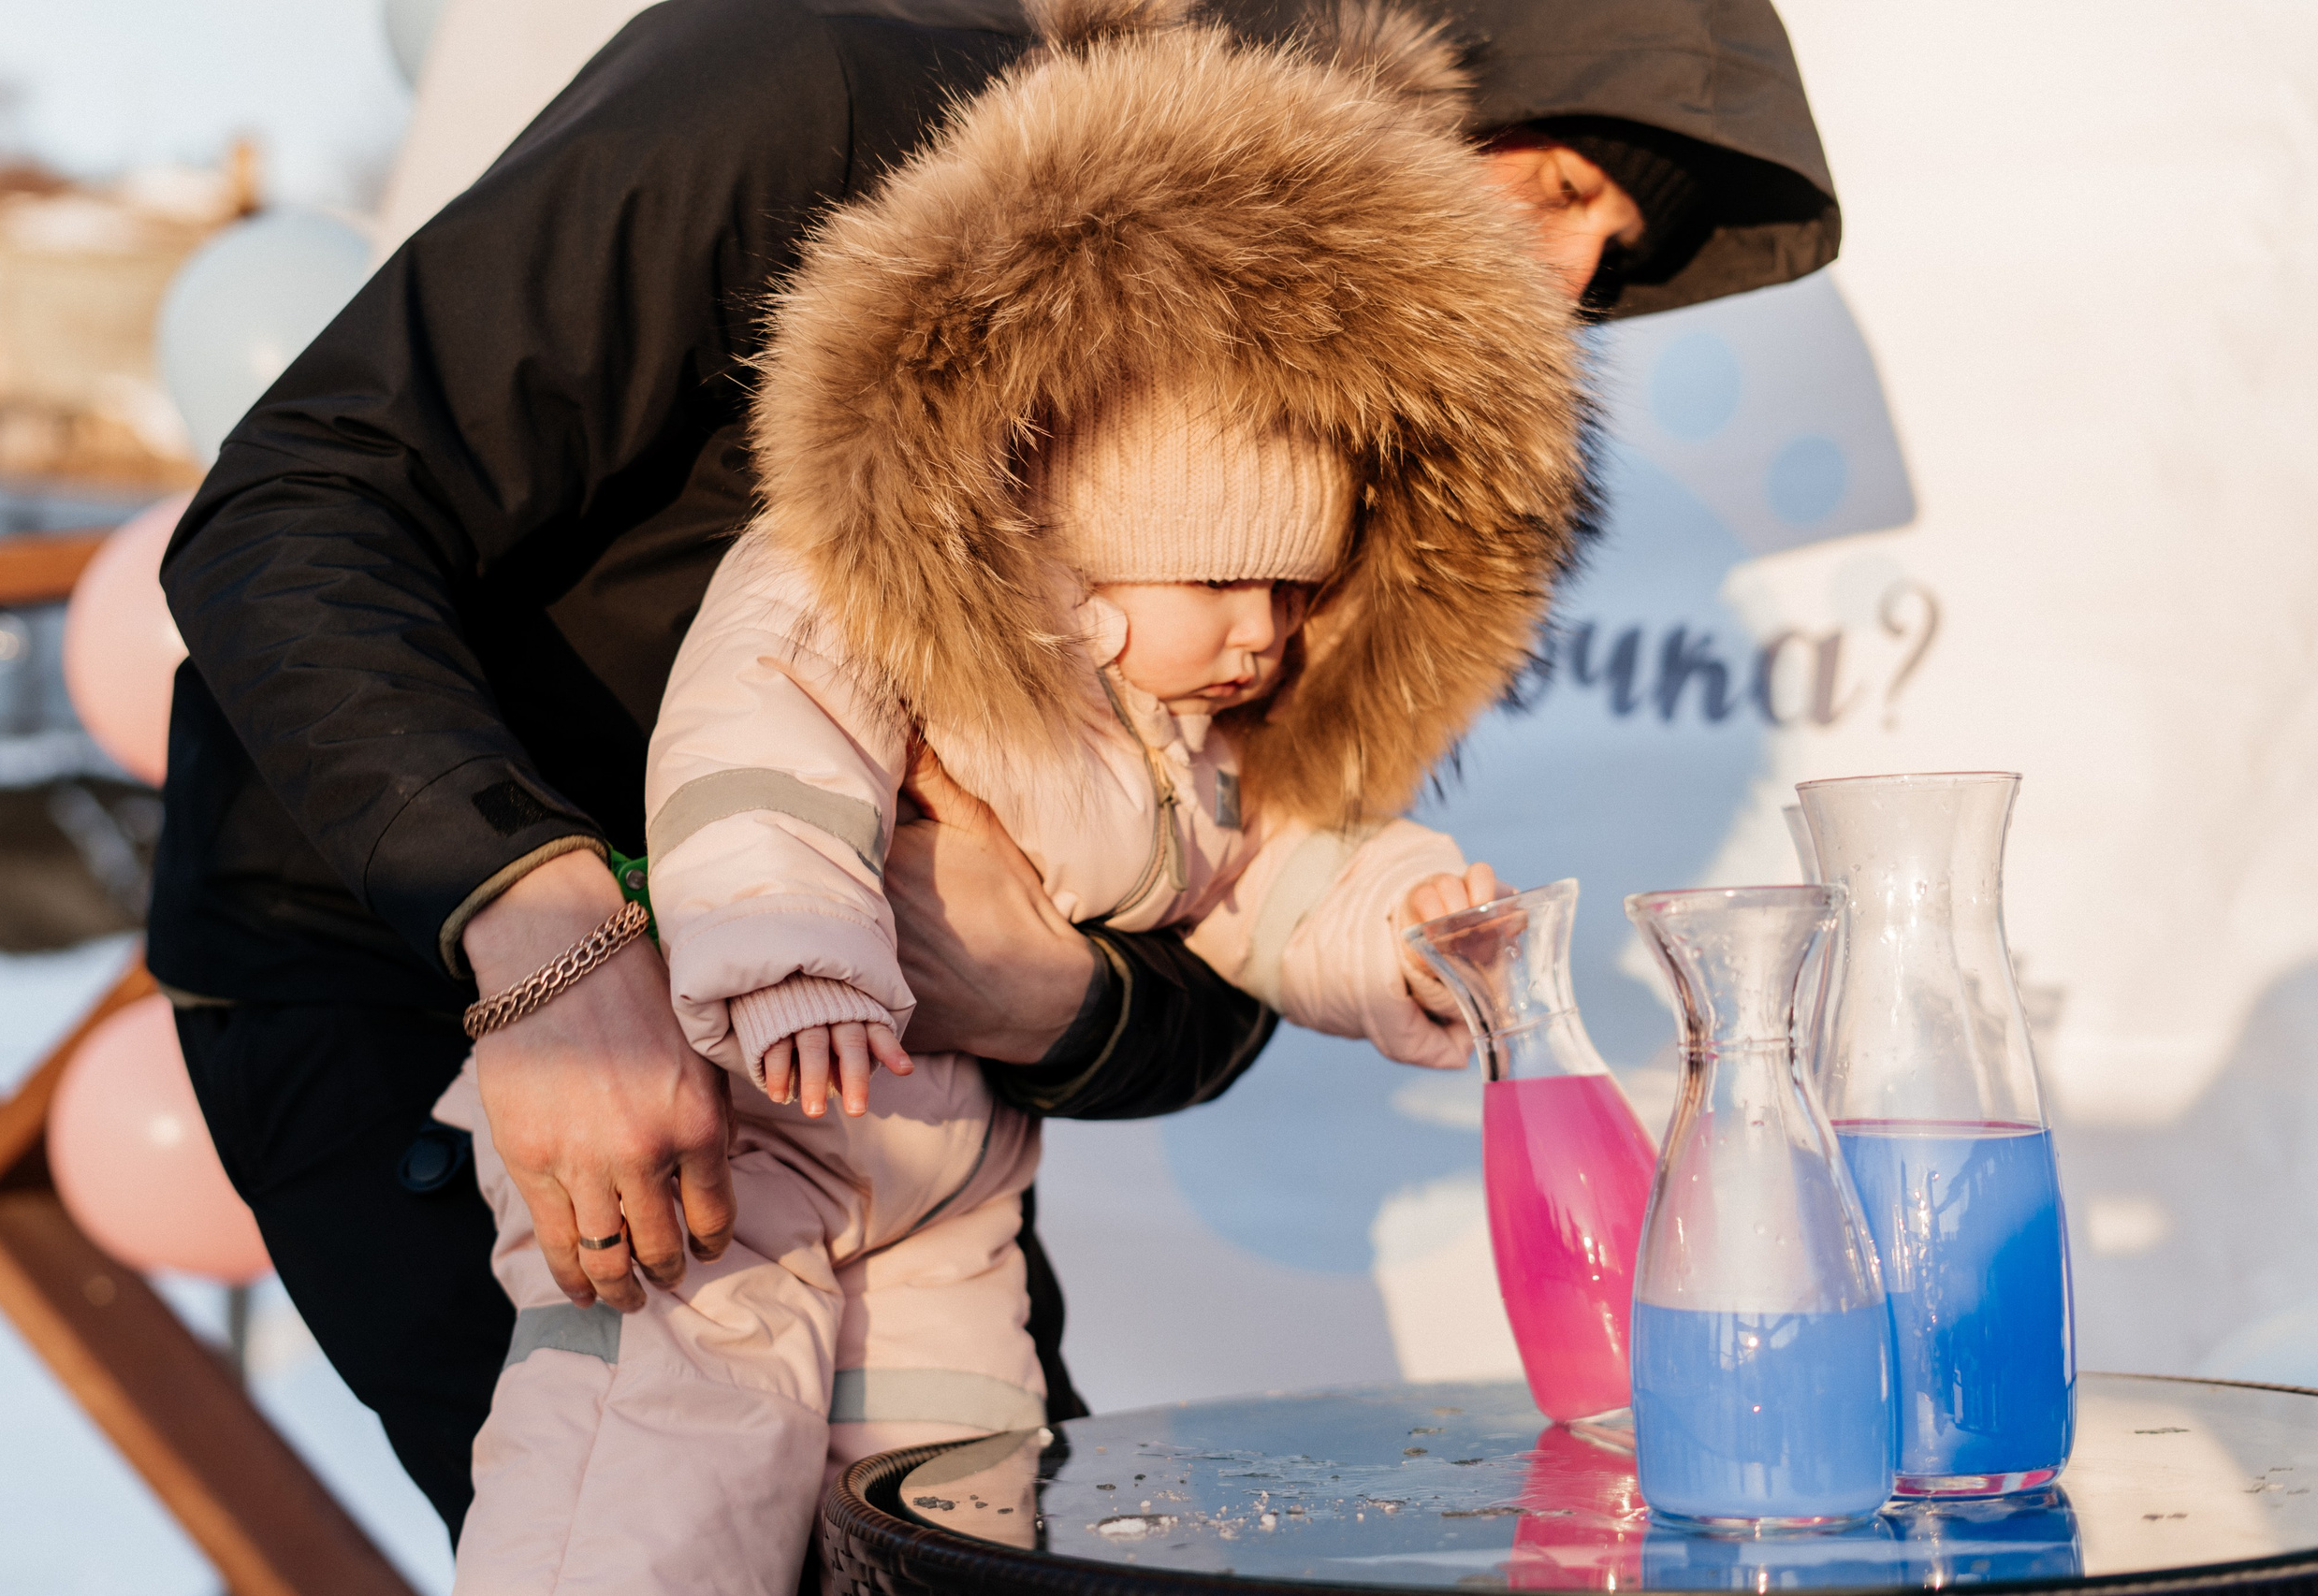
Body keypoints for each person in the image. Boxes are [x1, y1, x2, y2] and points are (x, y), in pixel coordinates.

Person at [153, 0, 1839, 1542]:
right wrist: (541, 929)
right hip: (443, 982)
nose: (1565, 277)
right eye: (1553, 184)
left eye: (1610, 255)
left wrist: (1052, 987)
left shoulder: (1292, 468)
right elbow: (296, 504)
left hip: (883, 1098)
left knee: (974, 1548)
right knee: (655, 1520)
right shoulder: (812, 93)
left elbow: (1224, 894)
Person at [434, 2, 1582, 1581]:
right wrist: (785, 953)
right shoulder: (883, 600)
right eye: (1227, 582)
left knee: (952, 1493)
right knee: (666, 1460)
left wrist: (1407, 931)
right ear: (1099, 549)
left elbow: (1281, 876)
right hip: (732, 1135)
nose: (1266, 634)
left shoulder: (1180, 744)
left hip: (942, 1193)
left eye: (1298, 592)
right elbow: (759, 745)